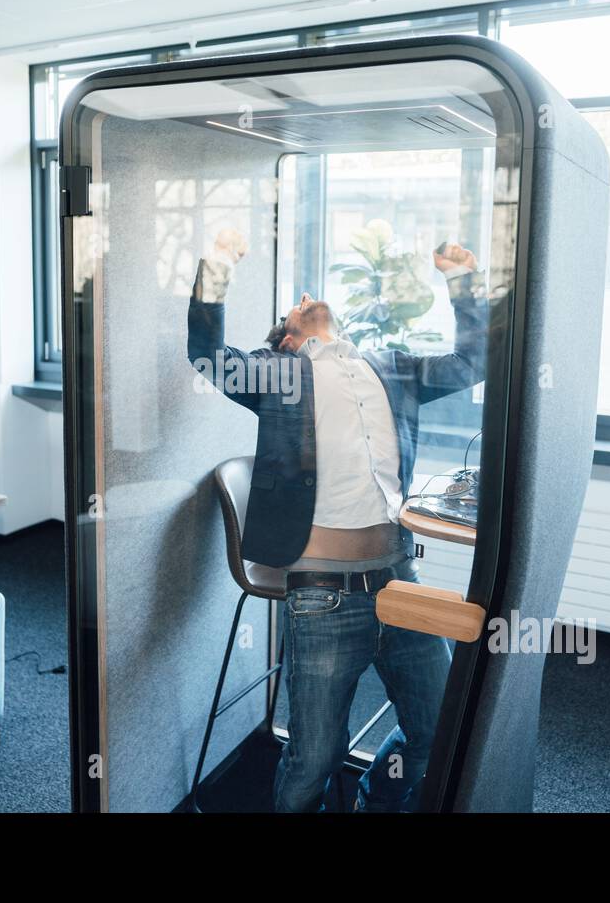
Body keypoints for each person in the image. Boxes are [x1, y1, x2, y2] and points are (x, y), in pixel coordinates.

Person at [187, 228, 488, 812]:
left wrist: (462, 282)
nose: (307, 296)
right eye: (295, 305)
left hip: (399, 581)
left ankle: (375, 800)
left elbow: (472, 360)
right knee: (313, 761)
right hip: (321, 595)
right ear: (288, 337)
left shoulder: (392, 367)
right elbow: (205, 353)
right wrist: (219, 263)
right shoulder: (277, 375)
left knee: (442, 730)